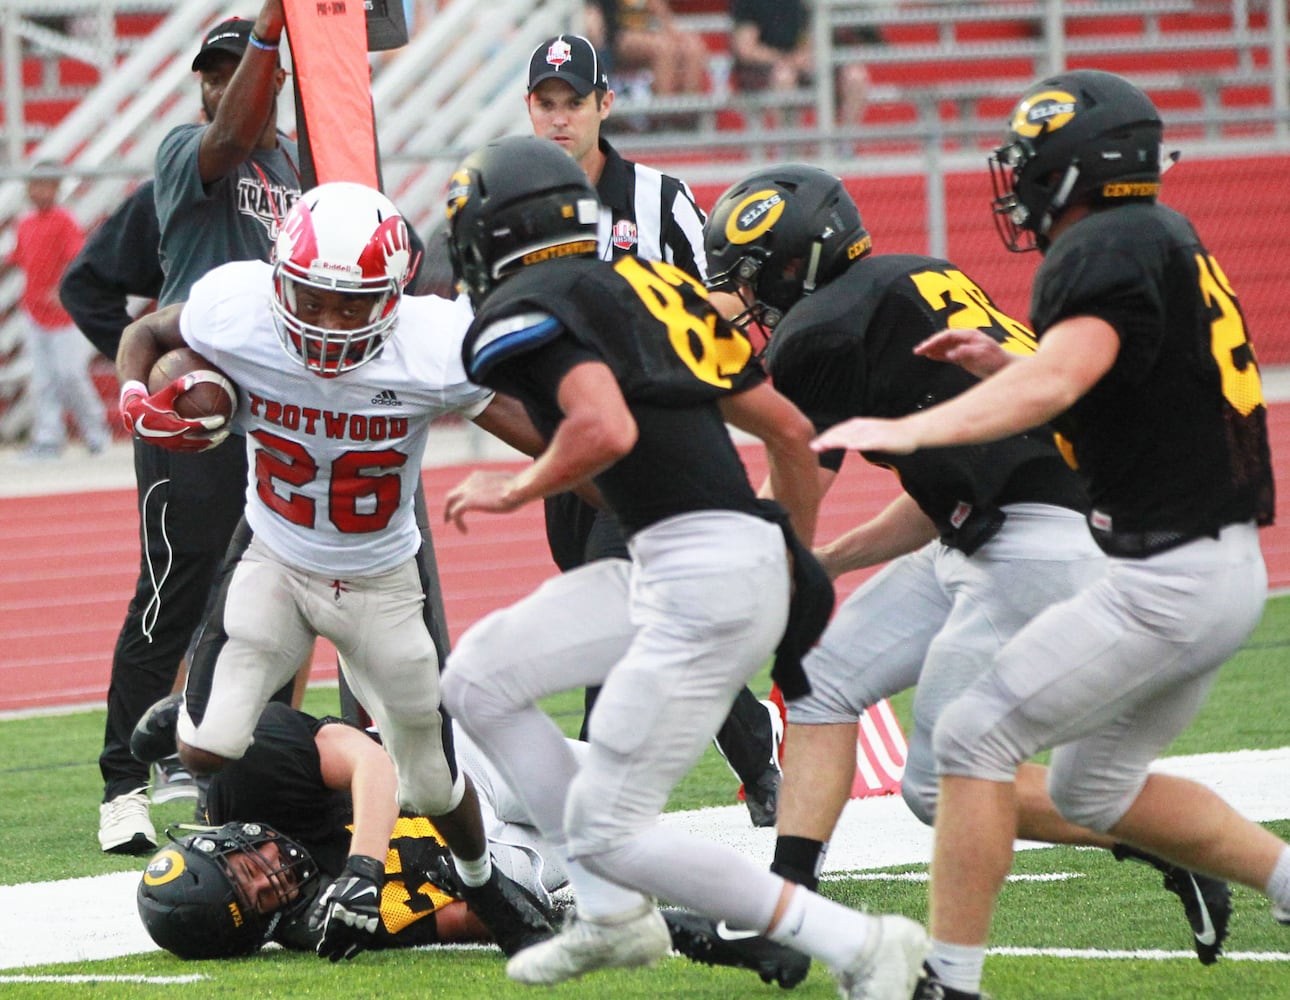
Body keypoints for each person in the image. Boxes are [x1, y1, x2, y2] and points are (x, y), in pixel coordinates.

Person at [809, 70, 1286, 1000]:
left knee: (973, 743)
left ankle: (951, 981)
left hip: (1164, 578)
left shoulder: (1103, 247)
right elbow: (1108, 379)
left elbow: (1053, 385)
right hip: (1219, 570)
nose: (1017, 182)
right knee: (1091, 794)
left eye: (1031, 165)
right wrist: (999, 359)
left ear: (1081, 167)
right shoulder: (1162, 237)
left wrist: (910, 430)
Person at [702, 162, 1235, 966]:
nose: (742, 298)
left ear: (792, 261)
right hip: (1007, 527)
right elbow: (948, 490)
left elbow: (797, 479)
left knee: (939, 786)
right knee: (825, 679)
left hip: (1037, 545)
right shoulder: (911, 281)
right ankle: (788, 909)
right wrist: (831, 560)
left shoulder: (821, 329)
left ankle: (1168, 840)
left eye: (746, 277)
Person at [437, 133, 928, 996]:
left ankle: (862, 944)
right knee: (475, 678)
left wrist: (515, 487)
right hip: (683, 561)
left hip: (700, 576)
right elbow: (786, 429)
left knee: (609, 827)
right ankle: (609, 915)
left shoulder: (541, 300)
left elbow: (606, 430)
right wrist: (788, 553)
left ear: (504, 232)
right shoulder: (650, 283)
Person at [115, 180, 556, 958]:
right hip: (277, 553)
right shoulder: (236, 310)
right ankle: (180, 721)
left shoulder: (434, 345)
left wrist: (598, 475)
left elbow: (537, 425)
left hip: (382, 577)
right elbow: (149, 335)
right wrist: (138, 397)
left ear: (394, 296)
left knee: (429, 780)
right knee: (206, 750)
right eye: (312, 299)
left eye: (351, 305)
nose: (326, 322)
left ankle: (483, 874)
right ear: (280, 281)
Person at [525, 33, 784, 826]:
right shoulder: (517, 201)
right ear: (530, 109)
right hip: (568, 443)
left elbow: (723, 303)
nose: (562, 119)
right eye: (548, 103)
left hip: (650, 440)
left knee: (612, 619)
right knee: (648, 619)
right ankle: (755, 743)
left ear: (607, 104)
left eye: (577, 103)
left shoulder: (660, 199)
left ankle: (597, 821)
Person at [131, 695, 811, 985]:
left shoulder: (247, 776)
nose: (273, 877)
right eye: (259, 900)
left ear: (223, 837)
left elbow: (371, 762)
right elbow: (461, 918)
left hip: (460, 767)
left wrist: (362, 867)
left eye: (250, 868)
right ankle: (743, 926)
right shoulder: (315, 922)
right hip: (485, 862)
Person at [93, 1, 304, 856]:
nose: (218, 88)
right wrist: (270, 27)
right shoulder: (190, 148)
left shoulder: (296, 160)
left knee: (289, 589)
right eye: (209, 74)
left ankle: (261, 783)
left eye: (232, 71)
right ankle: (119, 786)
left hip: (282, 396)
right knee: (176, 588)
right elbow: (233, 130)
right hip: (196, 398)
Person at [6, 162, 110, 460]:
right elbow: (19, 258)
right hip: (33, 312)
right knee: (42, 379)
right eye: (34, 185)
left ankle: (95, 430)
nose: (39, 191)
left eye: (46, 185)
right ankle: (48, 436)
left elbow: (78, 259)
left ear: (56, 189)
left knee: (70, 374)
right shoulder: (24, 223)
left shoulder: (64, 221)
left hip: (63, 316)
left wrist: (62, 288)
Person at [729, 0, 869, 127]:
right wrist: (787, 60)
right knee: (784, 77)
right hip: (764, 68)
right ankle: (789, 149)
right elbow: (746, 49)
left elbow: (812, 36)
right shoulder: (747, 2)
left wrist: (807, 55)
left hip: (803, 63)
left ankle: (844, 144)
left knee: (855, 75)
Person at [582, 1, 707, 97]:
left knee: (693, 47)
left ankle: (689, 112)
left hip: (649, 32)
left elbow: (658, 8)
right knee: (663, 48)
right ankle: (665, 115)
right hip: (617, 37)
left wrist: (674, 33)